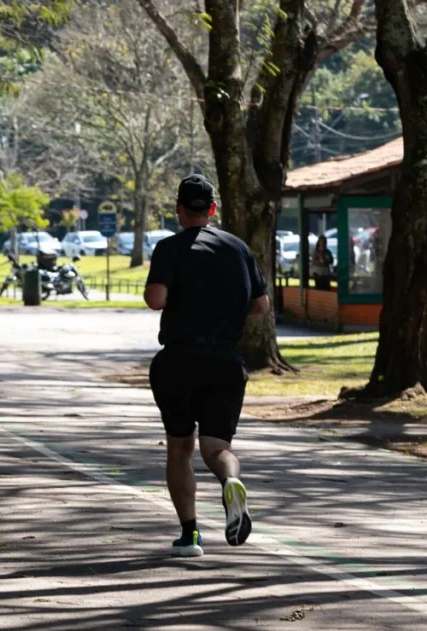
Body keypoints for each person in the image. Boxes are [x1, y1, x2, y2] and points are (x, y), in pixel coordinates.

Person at [144, 174, 271, 558]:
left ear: (180, 210)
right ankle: (231, 480)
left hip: (180, 361)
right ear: (213, 209)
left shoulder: (169, 248)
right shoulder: (238, 248)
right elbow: (261, 305)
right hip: (226, 364)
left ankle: (191, 535)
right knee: (217, 446)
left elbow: (155, 299)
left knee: (180, 447)